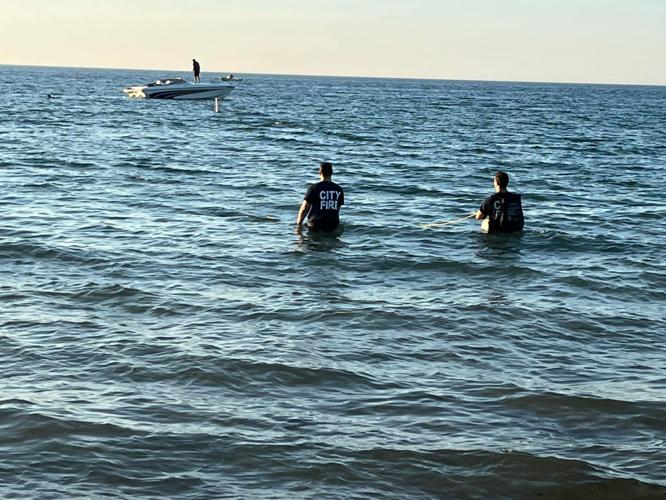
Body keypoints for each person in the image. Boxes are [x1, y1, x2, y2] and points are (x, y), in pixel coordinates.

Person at [296, 162, 344, 232]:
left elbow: (304, 208)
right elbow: (337, 209)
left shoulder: (314, 188)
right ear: (331, 173)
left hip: (316, 224)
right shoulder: (338, 189)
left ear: (320, 172)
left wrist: (298, 224)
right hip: (333, 225)